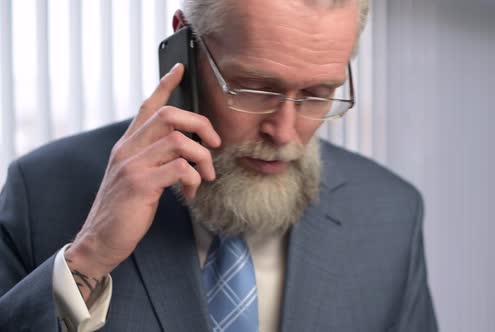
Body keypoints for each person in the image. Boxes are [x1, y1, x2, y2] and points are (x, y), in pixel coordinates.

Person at [0, 0, 437, 331]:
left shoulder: (393, 215)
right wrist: (90, 257)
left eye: (318, 94)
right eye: (254, 88)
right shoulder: (40, 191)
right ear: (183, 48)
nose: (285, 133)